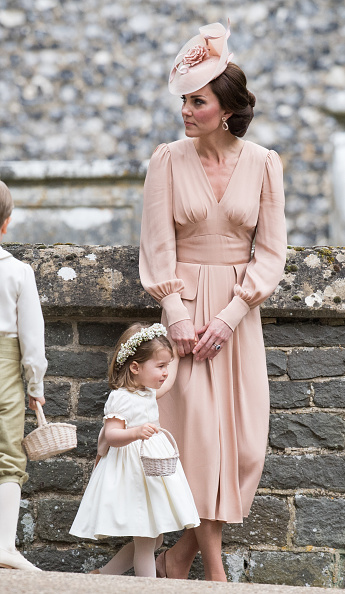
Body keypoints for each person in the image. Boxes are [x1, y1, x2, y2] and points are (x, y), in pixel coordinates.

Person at [139, 21, 287, 582]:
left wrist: (230, 315)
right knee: (196, 440)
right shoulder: (166, 160)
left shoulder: (264, 164)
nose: (185, 109)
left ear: (224, 109)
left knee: (242, 445)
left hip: (236, 320)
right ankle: (216, 573)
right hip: (183, 312)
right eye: (184, 99)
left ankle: (176, 558)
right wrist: (175, 312)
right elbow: (156, 245)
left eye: (197, 100)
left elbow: (272, 253)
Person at [69, 322, 199, 578]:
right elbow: (112, 435)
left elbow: (169, 382)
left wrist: (179, 351)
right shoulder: (122, 397)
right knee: (146, 537)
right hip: (132, 471)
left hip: (151, 469)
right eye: (160, 366)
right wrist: (136, 432)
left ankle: (103, 574)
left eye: (166, 366)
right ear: (135, 367)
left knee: (155, 539)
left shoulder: (147, 391)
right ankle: (148, 587)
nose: (164, 372)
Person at [0, 181, 47, 571]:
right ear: (6, 224)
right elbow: (33, 338)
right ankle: (3, 546)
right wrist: (35, 384)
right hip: (4, 371)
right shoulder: (17, 272)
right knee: (8, 455)